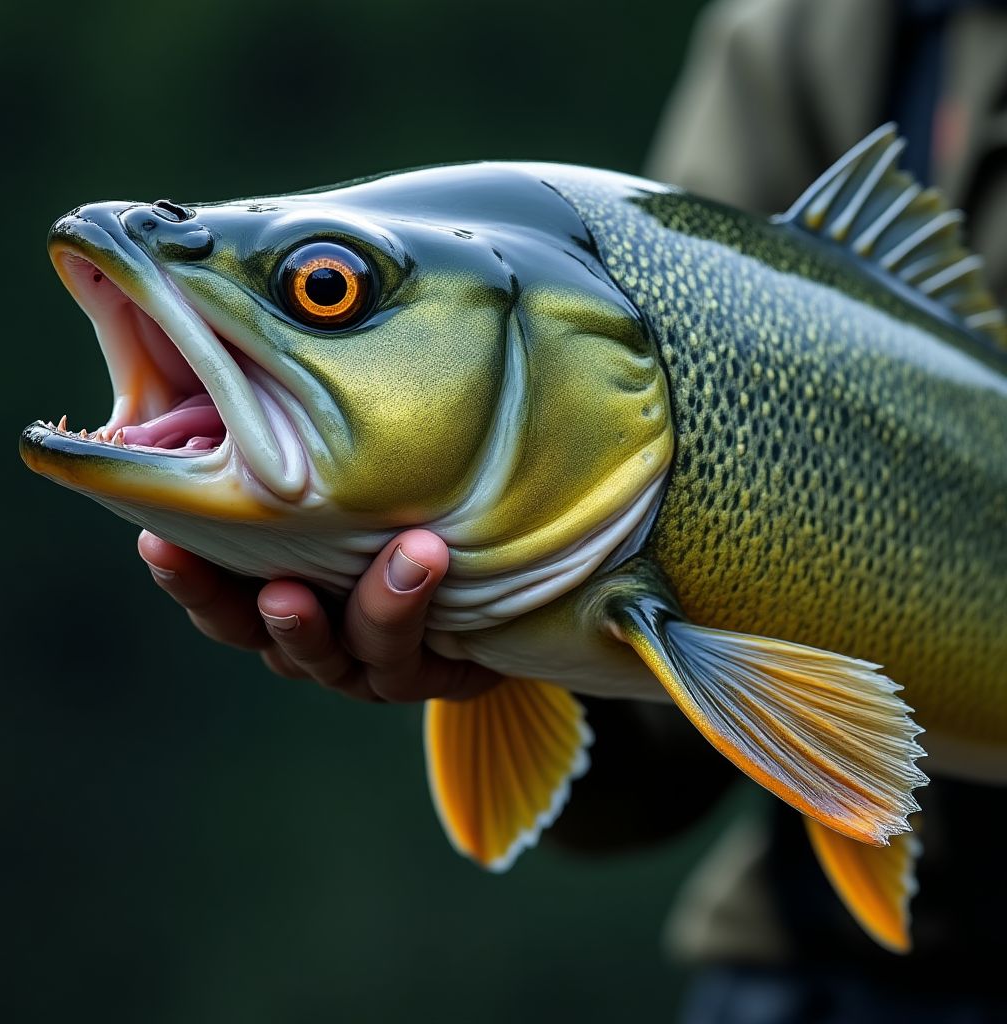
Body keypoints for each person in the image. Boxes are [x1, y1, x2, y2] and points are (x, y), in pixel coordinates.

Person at [138, 0, 1007, 1019]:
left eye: (326, 288)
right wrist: (508, 652)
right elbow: (653, 778)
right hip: (832, 978)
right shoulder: (817, 27)